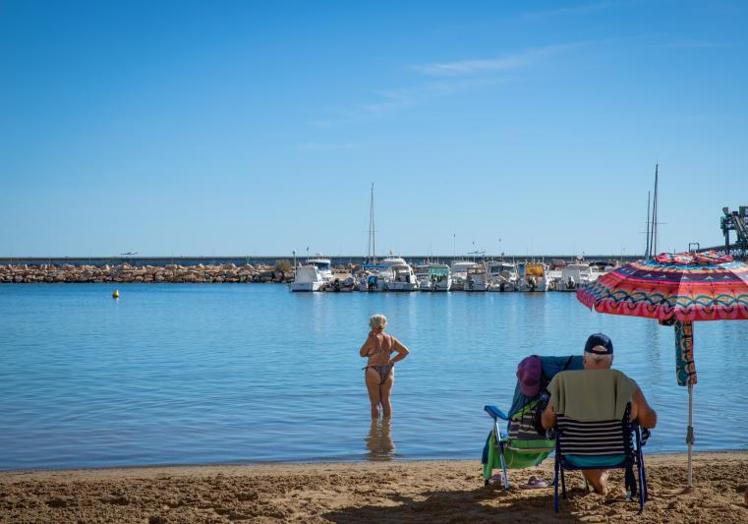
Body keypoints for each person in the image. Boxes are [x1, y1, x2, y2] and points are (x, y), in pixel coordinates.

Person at [540, 333, 657, 495]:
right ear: (612, 359)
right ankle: (600, 480)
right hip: (618, 454)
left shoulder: (563, 383)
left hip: (574, 454)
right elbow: (650, 422)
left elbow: (546, 423)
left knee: (585, 438)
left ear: (584, 360)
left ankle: (599, 482)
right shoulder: (626, 383)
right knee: (621, 429)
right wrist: (639, 412)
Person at [359, 314, 409, 419]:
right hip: (389, 370)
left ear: (371, 325)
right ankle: (387, 429)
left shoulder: (372, 338)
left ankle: (374, 431)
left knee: (375, 403)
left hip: (373, 370)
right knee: (386, 401)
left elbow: (362, 353)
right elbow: (405, 352)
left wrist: (368, 339)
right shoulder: (391, 338)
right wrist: (392, 360)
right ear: (384, 325)